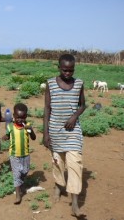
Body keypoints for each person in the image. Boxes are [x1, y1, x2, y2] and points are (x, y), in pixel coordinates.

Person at [43, 54, 86, 217]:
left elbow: (83, 105)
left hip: (73, 131)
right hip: (55, 130)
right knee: (58, 162)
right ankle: (58, 185)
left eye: (71, 70)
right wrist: (45, 133)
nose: (68, 73)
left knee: (75, 164)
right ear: (59, 67)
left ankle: (75, 204)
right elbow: (47, 109)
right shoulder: (51, 84)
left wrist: (74, 116)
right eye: (65, 70)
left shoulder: (79, 83)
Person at [2, 103, 36, 205]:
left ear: (25, 117)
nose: (20, 120)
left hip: (25, 154)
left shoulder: (28, 126)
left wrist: (30, 131)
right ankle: (18, 195)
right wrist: (5, 137)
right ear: (14, 116)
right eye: (17, 117)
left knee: (25, 171)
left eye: (22, 118)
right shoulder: (10, 127)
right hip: (14, 155)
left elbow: (34, 138)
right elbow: (8, 135)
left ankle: (20, 184)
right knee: (16, 174)